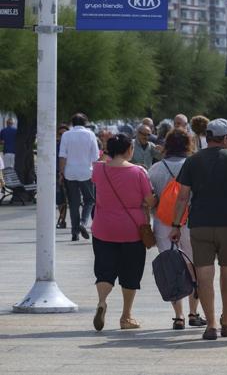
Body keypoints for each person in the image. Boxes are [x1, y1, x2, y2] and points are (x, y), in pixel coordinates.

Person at [169, 118, 227, 340]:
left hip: (199, 224)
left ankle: (211, 324)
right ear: (224, 139)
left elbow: (183, 196)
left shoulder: (193, 160)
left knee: (204, 274)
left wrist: (176, 225)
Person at [91, 133, 156, 331]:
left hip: (103, 228)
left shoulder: (99, 169)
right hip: (132, 230)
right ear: (129, 150)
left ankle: (102, 301)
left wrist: (106, 155)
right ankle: (126, 316)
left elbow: (102, 162)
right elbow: (148, 200)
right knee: (130, 272)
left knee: (104, 270)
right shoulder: (138, 172)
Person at [148, 129, 206, 330]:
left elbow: (150, 199)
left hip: (163, 224)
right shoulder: (195, 164)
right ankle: (193, 312)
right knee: (195, 266)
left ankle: (178, 316)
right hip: (191, 223)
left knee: (171, 267)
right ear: (189, 144)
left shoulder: (155, 169)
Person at [59, 113, 99, 242]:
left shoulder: (66, 135)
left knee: (74, 203)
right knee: (90, 200)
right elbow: (95, 157)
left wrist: (61, 172)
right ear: (85, 123)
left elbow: (62, 156)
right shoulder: (90, 134)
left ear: (72, 123)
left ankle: (74, 232)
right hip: (86, 172)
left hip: (70, 172)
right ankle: (83, 222)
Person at [56, 125, 70, 229]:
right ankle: (62, 219)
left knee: (69, 199)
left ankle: (63, 220)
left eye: (64, 134)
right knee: (60, 199)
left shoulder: (71, 146)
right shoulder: (55, 145)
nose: (62, 136)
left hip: (69, 174)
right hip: (57, 174)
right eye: (60, 134)